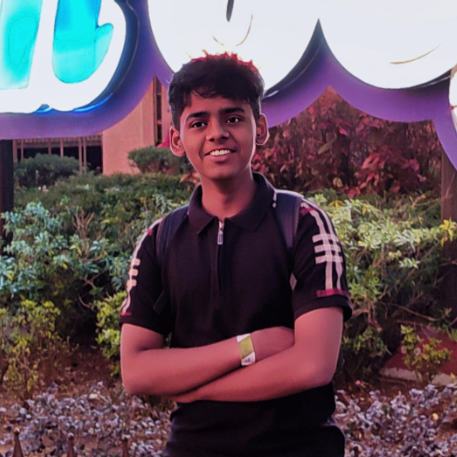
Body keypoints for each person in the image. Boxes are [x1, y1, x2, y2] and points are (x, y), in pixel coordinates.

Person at [119, 53, 353, 457]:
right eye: (199, 122)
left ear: (259, 128)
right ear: (176, 140)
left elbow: (313, 365)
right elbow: (136, 371)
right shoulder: (159, 241)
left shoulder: (303, 224)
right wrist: (249, 346)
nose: (217, 133)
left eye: (233, 118)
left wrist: (196, 387)